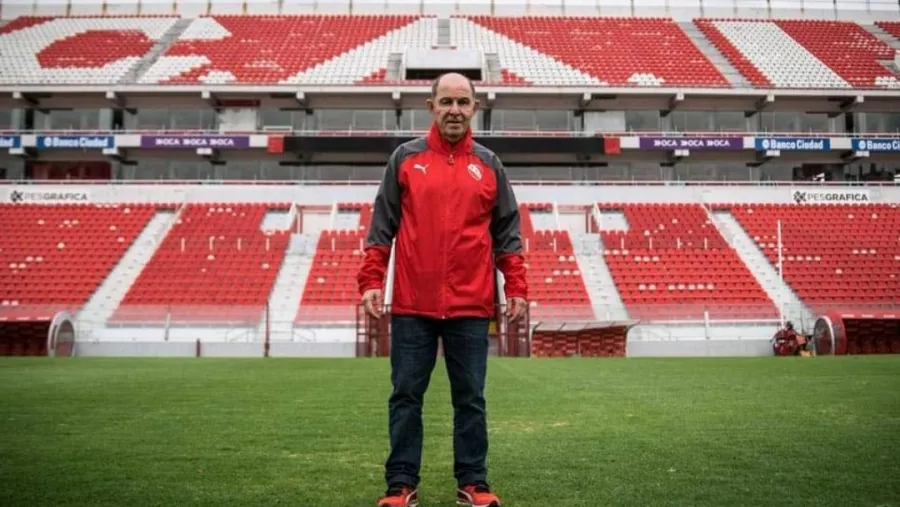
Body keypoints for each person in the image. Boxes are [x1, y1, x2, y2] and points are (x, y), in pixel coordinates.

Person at [357, 72, 528, 507]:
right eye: (446, 101)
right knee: (405, 396)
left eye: (463, 102)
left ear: (475, 108)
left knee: (470, 398)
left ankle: (473, 482)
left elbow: (508, 233)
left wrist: (518, 287)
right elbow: (382, 226)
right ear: (430, 106)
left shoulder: (490, 165)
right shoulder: (405, 159)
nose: (455, 110)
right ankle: (400, 485)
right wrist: (372, 279)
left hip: (472, 305)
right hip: (414, 304)